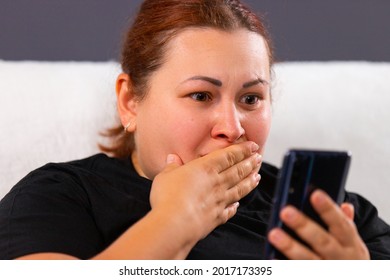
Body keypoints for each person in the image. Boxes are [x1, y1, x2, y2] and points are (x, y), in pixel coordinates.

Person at [0, 0, 389, 260]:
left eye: (251, 99)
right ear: (130, 101)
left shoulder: (336, 220)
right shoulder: (60, 197)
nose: (233, 128)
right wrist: (176, 221)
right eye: (201, 95)